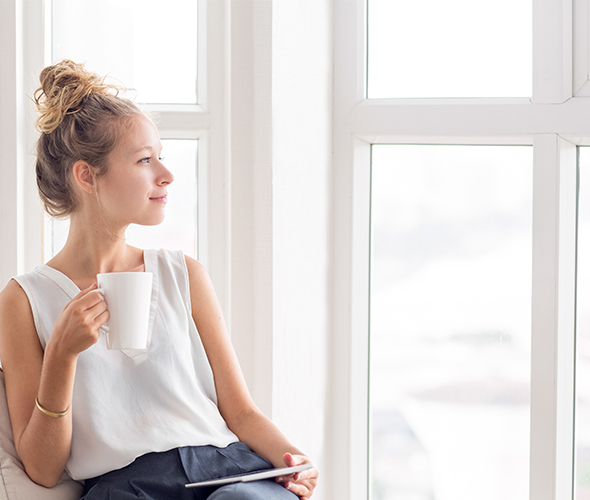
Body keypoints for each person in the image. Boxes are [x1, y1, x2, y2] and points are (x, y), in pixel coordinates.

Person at [0, 60, 318, 500]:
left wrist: (292, 459)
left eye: (161, 157)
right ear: (87, 175)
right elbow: (42, 469)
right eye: (145, 160)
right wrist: (61, 355)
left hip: (223, 470)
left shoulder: (184, 274)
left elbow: (241, 412)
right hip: (125, 489)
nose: (166, 175)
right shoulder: (25, 299)